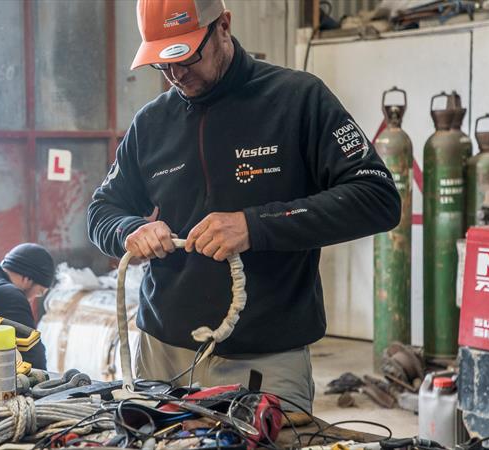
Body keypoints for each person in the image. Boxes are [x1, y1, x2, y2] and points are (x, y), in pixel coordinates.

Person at [87, 0, 401, 412]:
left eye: (184, 56)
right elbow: (102, 210)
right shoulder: (151, 124)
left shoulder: (297, 100)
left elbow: (377, 197)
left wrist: (255, 225)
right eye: (162, 64)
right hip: (162, 354)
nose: (176, 74)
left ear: (223, 26)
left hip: (266, 359)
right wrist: (129, 230)